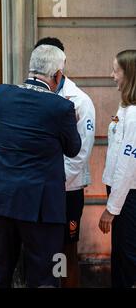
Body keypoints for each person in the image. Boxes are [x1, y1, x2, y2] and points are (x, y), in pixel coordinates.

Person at [0, 45, 81, 288]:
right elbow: (73, 148)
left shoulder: (2, 94)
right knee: (46, 277)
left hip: (0, 200)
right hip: (40, 206)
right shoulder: (61, 107)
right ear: (57, 75)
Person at [35, 37, 96, 288]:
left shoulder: (79, 100)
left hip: (66, 191)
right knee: (41, 251)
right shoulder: (30, 96)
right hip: (37, 190)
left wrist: (55, 183)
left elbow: (80, 154)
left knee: (65, 252)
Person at [99, 49, 136, 288]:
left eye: (116, 71)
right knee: (121, 257)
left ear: (129, 74)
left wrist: (111, 209)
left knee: (129, 259)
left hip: (128, 196)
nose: (112, 76)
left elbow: (127, 164)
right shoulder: (125, 108)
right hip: (121, 194)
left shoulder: (133, 115)